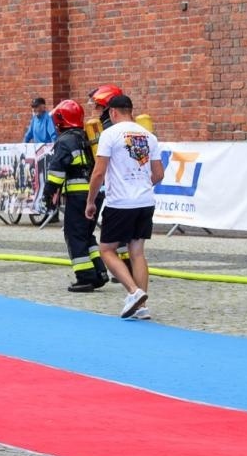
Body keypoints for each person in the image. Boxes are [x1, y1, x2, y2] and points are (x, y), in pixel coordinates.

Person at [87, 95, 163, 320]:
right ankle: (142, 307)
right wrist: (140, 186)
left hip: (120, 203)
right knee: (137, 253)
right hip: (145, 201)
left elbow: (99, 172)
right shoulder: (149, 136)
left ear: (112, 113)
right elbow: (158, 174)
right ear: (131, 110)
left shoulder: (109, 134)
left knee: (107, 250)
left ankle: (133, 292)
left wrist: (91, 201)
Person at [41, 99, 107, 293]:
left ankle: (85, 277)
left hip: (78, 196)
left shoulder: (64, 141)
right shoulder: (87, 136)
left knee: (74, 235)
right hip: (96, 193)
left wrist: (48, 193)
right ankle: (99, 272)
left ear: (61, 120)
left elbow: (56, 172)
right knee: (86, 234)